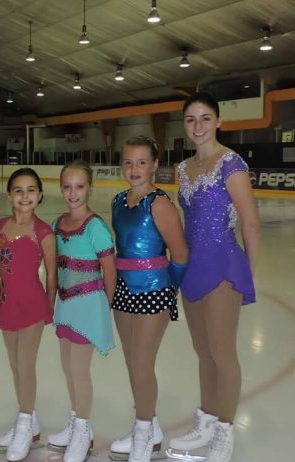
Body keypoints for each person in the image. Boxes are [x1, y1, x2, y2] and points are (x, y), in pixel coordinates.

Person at [166, 92, 261, 462]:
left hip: (223, 265)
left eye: (205, 118)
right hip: (193, 267)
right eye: (191, 119)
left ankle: (224, 428)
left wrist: (247, 273)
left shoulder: (231, 164)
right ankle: (206, 419)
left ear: (219, 121)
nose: (198, 126)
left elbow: (251, 222)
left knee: (222, 352)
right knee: (202, 351)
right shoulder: (183, 168)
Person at [109, 136, 188, 462]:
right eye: (128, 162)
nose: (134, 169)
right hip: (123, 290)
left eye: (141, 162)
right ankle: (149, 426)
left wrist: (169, 291)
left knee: (142, 364)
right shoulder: (118, 201)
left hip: (154, 291)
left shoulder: (159, 204)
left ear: (155, 164)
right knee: (133, 363)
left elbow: (180, 254)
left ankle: (143, 434)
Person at [49, 160, 116, 462]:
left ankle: (83, 430)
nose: (73, 193)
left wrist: (105, 305)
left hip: (88, 306)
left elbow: (109, 271)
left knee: (79, 370)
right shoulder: (57, 224)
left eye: (79, 186)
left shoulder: (95, 227)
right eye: (67, 186)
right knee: (67, 367)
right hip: (65, 306)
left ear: (90, 188)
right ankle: (76, 418)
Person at [0, 168, 57, 462]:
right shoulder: (1, 226)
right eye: (18, 190)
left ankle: (24, 422)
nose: (25, 195)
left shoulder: (43, 232)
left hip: (32, 304)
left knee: (26, 365)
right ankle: (29, 422)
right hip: (7, 301)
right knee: (14, 365)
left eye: (31, 189)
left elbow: (52, 274)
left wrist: (49, 307)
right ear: (9, 195)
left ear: (40, 195)